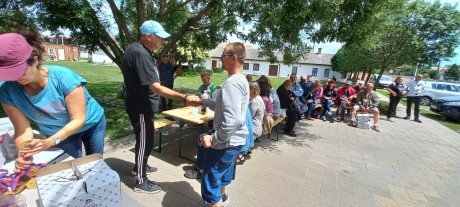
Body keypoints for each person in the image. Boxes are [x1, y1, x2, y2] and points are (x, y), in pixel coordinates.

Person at [0, 32, 106, 172]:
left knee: (95, 163)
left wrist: (51, 141)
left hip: (91, 124)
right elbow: (22, 129)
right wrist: (25, 153)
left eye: (21, 71)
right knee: (71, 169)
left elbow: (78, 119)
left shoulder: (63, 78)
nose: (17, 78)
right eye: (11, 74)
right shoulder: (7, 91)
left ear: (35, 61)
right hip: (56, 132)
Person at [121, 20, 199, 193]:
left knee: (147, 139)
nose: (162, 41)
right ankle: (140, 180)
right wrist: (184, 97)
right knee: (144, 141)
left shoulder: (137, 49)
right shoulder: (141, 54)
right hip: (140, 106)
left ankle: (139, 167)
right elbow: (156, 87)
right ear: (148, 36)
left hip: (141, 104)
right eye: (160, 37)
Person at [199, 42, 250, 207]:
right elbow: (223, 107)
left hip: (225, 143)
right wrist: (204, 101)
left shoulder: (232, 83)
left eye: (224, 55)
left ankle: (216, 202)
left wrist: (213, 139)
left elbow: (232, 121)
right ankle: (223, 199)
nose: (220, 58)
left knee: (210, 180)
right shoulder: (240, 79)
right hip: (234, 142)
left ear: (234, 58)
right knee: (221, 176)